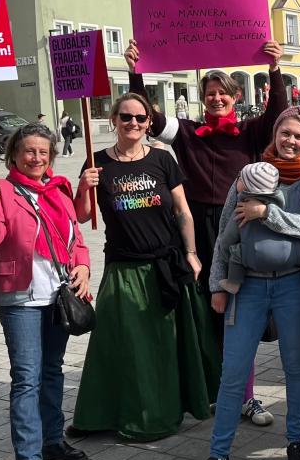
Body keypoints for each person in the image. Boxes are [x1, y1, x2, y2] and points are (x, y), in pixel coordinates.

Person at [122, 38, 288, 425]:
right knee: (205, 313)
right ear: (202, 98)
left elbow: (277, 114)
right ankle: (211, 390)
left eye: (222, 93)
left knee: (238, 314)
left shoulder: (249, 131)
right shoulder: (186, 132)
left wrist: (275, 69)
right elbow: (149, 117)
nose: (216, 99)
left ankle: (246, 396)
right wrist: (135, 72)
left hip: (238, 228)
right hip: (195, 232)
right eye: (210, 93)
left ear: (235, 97)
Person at [68, 92, 220, 441]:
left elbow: (182, 211)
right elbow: (82, 216)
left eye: (140, 117)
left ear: (149, 122)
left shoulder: (162, 159)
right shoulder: (96, 161)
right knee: (119, 344)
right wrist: (83, 186)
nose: (133, 123)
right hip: (123, 268)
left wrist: (192, 252)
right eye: (126, 117)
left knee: (164, 343)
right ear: (114, 120)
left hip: (165, 266)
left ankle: (161, 411)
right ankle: (105, 414)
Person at [201, 107, 300, 460]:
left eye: (299, 136)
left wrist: (265, 213)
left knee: (296, 368)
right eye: (285, 133)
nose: (290, 141)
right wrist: (217, 284)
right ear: (274, 134)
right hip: (247, 287)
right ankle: (219, 455)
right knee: (233, 371)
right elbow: (224, 235)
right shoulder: (246, 178)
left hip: (294, 286)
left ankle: (296, 444)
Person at [0, 124, 92, 460]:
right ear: (14, 154)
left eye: (43, 152)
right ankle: (29, 459)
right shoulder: (1, 189)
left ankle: (53, 439)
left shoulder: (59, 189)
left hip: (59, 295)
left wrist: (83, 266)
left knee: (52, 370)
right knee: (27, 377)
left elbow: (75, 236)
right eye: (29, 151)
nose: (36, 158)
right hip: (20, 298)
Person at [216, 162, 300, 295]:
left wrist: (226, 255)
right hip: (290, 256)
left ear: (248, 186)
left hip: (252, 258)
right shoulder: (282, 203)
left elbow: (227, 238)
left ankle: (233, 283)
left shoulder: (242, 209)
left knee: (236, 254)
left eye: (240, 179)